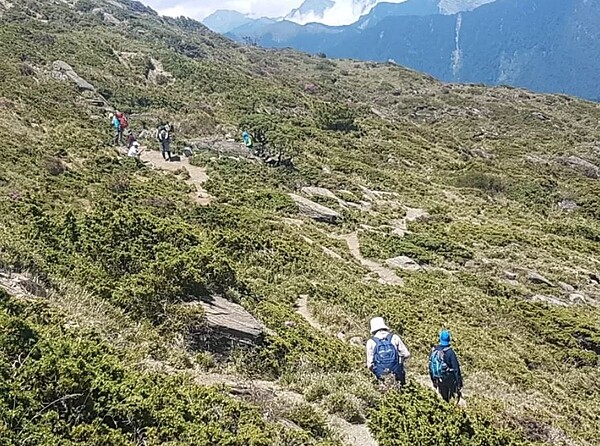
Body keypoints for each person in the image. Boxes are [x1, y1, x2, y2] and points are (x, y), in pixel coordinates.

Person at [366, 317, 410, 386]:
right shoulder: (394, 337)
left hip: (381, 375)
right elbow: (406, 354)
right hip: (397, 372)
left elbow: (369, 364)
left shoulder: (371, 342)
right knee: (401, 390)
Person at [429, 330, 463, 403]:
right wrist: (459, 384)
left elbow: (431, 367)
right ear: (449, 340)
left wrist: (433, 380)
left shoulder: (434, 350)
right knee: (451, 398)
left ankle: (444, 408)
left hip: (438, 378)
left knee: (444, 398)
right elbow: (456, 369)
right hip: (449, 379)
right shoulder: (450, 352)